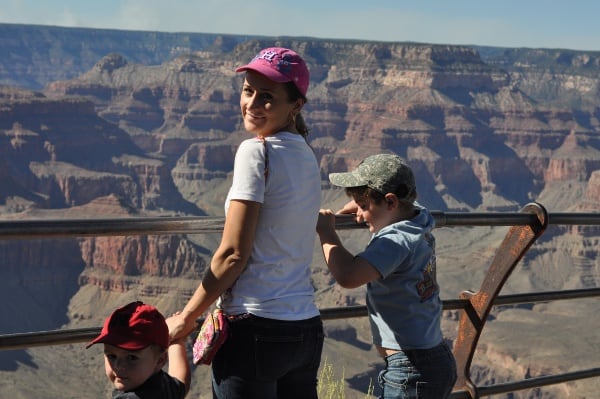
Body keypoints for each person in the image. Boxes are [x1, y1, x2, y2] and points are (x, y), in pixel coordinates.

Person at [167, 47, 324, 399]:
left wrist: (187, 317)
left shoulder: (256, 151)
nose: (252, 104)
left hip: (255, 330)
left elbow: (233, 253)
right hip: (304, 330)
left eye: (267, 97)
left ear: (295, 105)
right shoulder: (305, 153)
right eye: (248, 90)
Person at [316, 153, 457, 399]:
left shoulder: (395, 241)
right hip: (433, 358)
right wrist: (363, 205)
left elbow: (349, 276)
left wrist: (327, 232)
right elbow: (407, 205)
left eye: (363, 206)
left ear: (391, 202)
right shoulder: (418, 219)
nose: (359, 212)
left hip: (412, 369)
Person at [86, 301, 190, 399]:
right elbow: (181, 383)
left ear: (160, 360)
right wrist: (177, 340)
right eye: (111, 356)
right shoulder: (163, 385)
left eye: (131, 358)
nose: (118, 366)